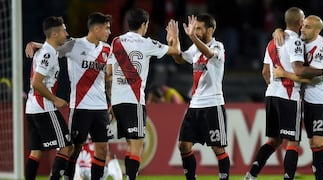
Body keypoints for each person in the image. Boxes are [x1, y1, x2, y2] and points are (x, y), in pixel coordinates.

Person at [26, 12, 114, 180]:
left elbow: (108, 78)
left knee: (102, 149)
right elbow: (52, 48)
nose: (109, 32)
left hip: (101, 108)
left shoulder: (107, 49)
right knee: (74, 148)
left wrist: (112, 102)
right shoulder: (74, 44)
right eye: (106, 28)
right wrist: (35, 44)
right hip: (79, 107)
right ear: (96, 28)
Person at [105, 8, 181, 180]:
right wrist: (173, 38)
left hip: (117, 102)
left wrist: (111, 102)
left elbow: (108, 73)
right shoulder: (147, 43)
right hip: (134, 102)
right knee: (136, 147)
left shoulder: (116, 42)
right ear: (144, 25)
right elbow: (176, 51)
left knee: (129, 144)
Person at [272, 15, 323, 180]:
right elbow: (285, 33)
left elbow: (306, 76)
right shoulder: (301, 42)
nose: (303, 28)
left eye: (308, 27)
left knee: (318, 142)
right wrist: (278, 30)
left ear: (317, 31)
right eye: (303, 25)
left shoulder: (321, 48)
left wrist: (283, 74)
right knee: (313, 144)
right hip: (308, 99)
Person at [168, 14, 230, 180]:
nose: (196, 31)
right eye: (195, 28)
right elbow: (180, 59)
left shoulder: (218, 46)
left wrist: (192, 37)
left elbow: (209, 53)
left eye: (199, 28)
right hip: (194, 105)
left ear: (210, 29)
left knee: (218, 148)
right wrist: (175, 42)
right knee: (183, 145)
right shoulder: (195, 48)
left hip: (213, 104)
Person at [24, 16, 72, 180]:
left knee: (36, 152)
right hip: (44, 106)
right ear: (55, 34)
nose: (66, 34)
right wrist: (55, 99)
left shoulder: (46, 51)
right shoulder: (48, 54)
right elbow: (37, 82)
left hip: (32, 108)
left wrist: (35, 44)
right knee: (66, 146)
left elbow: (58, 49)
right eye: (64, 30)